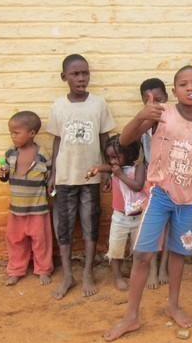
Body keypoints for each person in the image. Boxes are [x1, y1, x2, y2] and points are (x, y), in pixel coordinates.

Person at [103, 65, 192, 342]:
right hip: (160, 195)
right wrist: (141, 115)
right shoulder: (163, 114)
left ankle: (172, 305)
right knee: (142, 255)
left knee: (179, 254)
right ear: (174, 90)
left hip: (189, 199)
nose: (190, 88)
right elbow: (125, 140)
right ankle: (131, 317)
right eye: (183, 84)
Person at [47, 54, 116, 299]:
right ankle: (68, 275)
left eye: (85, 73)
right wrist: (54, 173)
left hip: (91, 177)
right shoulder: (58, 106)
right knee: (64, 227)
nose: (81, 78)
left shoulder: (98, 103)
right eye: (75, 74)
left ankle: (87, 272)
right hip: (65, 176)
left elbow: (105, 138)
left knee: (90, 225)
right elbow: (57, 140)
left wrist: (108, 170)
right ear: (64, 76)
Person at [0, 111, 53, 286]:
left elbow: (50, 181)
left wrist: (53, 195)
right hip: (16, 209)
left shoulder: (42, 155)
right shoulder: (10, 154)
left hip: (38, 209)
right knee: (15, 240)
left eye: (16, 132)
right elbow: (4, 175)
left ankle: (43, 269)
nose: (12, 136)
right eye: (11, 132)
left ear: (31, 133)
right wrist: (2, 174)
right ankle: (16, 270)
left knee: (41, 241)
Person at [86, 135, 146, 291]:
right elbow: (107, 168)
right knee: (116, 249)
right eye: (109, 157)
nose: (112, 161)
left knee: (138, 250)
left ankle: (136, 274)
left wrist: (119, 175)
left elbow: (138, 186)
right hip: (119, 217)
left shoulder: (139, 168)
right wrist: (97, 169)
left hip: (138, 217)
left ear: (129, 153)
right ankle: (117, 277)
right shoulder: (114, 168)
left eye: (115, 156)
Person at [139, 78, 171, 289]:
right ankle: (151, 269)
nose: (155, 105)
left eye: (158, 99)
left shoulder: (174, 122)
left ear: (167, 98)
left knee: (169, 227)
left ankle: (163, 268)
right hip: (151, 182)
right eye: (148, 101)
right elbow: (142, 156)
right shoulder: (143, 126)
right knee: (151, 227)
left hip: (172, 180)